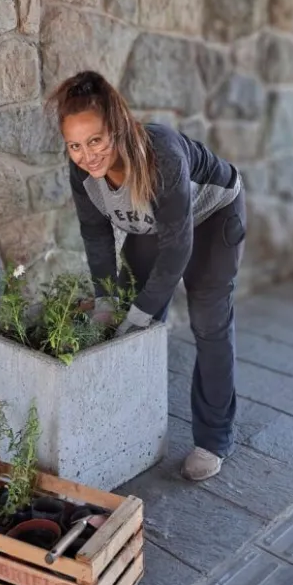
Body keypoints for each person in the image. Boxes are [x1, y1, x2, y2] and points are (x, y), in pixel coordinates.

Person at [48, 70, 246, 482]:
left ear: (118, 128)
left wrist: (138, 314)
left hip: (213, 214)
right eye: (75, 145)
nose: (87, 155)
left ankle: (213, 440)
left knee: (207, 320)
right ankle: (132, 427)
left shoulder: (162, 156)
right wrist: (106, 302)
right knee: (128, 315)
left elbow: (177, 250)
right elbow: (96, 235)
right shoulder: (82, 171)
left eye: (96, 141)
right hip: (155, 224)